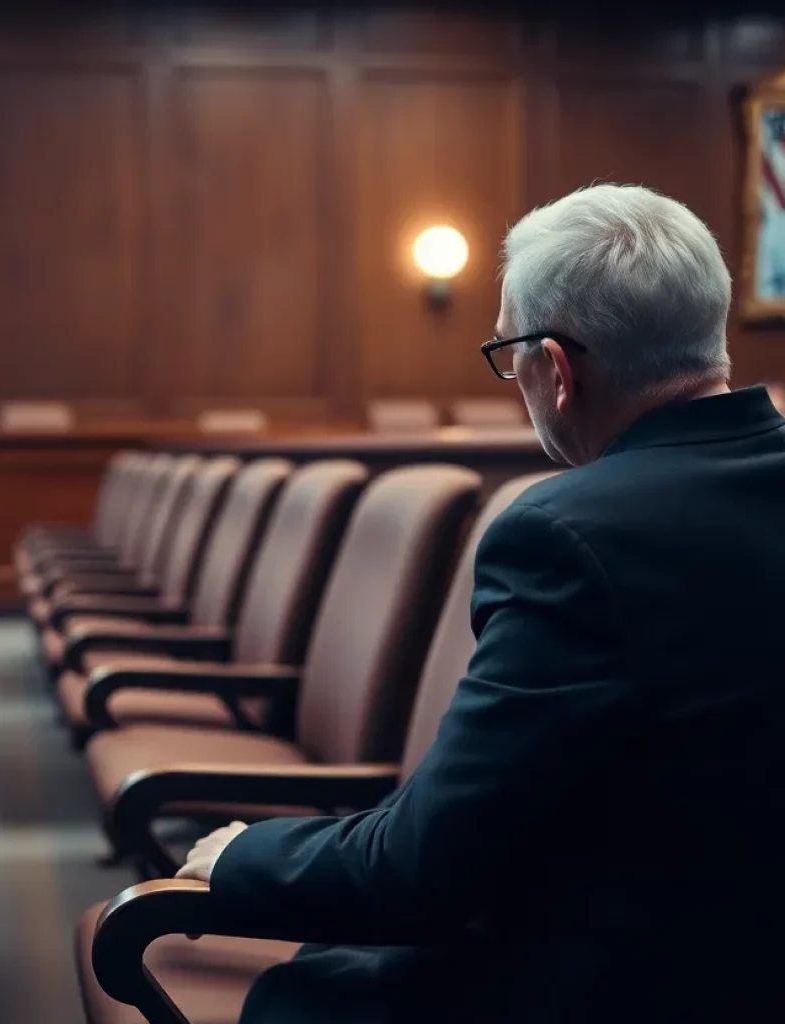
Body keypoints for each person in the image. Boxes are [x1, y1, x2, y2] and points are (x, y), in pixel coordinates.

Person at [177, 184, 785, 1023]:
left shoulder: (571, 536)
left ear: (559, 370)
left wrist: (243, 855)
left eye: (510, 354)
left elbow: (420, 872)